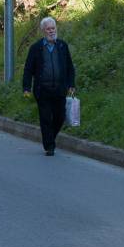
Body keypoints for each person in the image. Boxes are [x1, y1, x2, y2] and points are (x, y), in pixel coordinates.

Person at [22, 16, 76, 156]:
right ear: (43, 31)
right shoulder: (36, 48)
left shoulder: (62, 46)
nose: (51, 31)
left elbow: (70, 67)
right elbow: (28, 69)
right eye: (48, 29)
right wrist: (26, 88)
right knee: (45, 118)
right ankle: (49, 146)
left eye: (53, 28)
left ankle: (50, 136)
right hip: (42, 90)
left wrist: (71, 84)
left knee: (60, 117)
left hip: (59, 89)